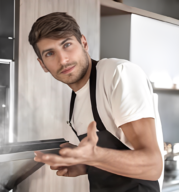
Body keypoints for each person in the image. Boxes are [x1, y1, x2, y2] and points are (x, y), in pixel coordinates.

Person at [29, 12, 164, 192]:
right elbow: (110, 159)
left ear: (84, 43)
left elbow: (152, 166)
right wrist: (83, 164)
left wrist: (92, 157)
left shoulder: (118, 74)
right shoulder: (75, 103)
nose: (63, 59)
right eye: (50, 53)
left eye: (67, 45)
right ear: (43, 64)